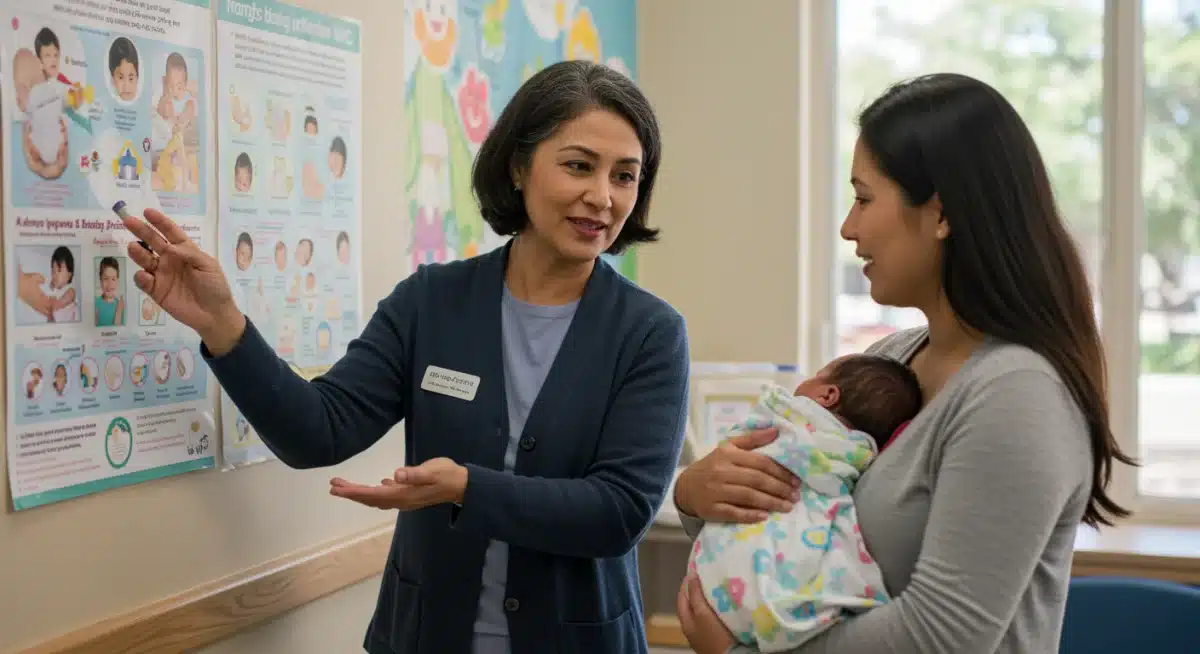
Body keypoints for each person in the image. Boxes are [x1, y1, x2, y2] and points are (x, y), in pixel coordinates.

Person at [119, 60, 685, 654]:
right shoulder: (431, 302)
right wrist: (223, 324)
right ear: (519, 167)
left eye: (625, 176)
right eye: (578, 165)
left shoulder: (650, 335)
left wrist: (468, 487)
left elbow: (618, 512)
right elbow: (318, 430)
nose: (602, 196)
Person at [672, 72, 1136, 654]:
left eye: (864, 198)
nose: (848, 227)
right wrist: (695, 494)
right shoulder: (891, 361)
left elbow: (941, 639)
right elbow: (799, 525)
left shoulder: (1016, 395)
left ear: (940, 213)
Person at [687, 354, 920, 652]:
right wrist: (688, 490)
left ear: (827, 395)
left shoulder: (785, 415)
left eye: (816, 375)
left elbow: (738, 443)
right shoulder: (858, 450)